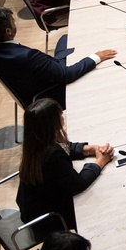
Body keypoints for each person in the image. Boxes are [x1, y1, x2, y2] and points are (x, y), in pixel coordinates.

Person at [0, 7, 115, 109]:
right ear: (8, 31)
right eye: (13, 22)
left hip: (36, 82)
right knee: (95, 62)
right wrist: (96, 57)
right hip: (51, 93)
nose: (15, 22)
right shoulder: (29, 57)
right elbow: (66, 75)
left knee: (65, 39)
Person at [17, 99, 113, 233]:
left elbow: (65, 148)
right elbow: (78, 183)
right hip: (50, 220)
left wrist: (92, 149)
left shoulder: (35, 142)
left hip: (32, 209)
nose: (63, 114)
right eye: (59, 114)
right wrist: (101, 162)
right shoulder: (53, 156)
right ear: (52, 122)